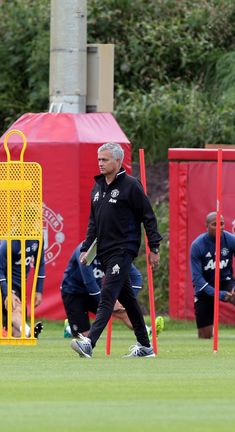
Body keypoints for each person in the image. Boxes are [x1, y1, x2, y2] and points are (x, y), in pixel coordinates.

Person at [70, 142, 162, 358]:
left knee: (107, 295)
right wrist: (86, 248)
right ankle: (145, 346)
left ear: (118, 161)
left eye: (105, 159)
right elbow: (93, 221)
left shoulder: (131, 185)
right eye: (99, 159)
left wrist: (154, 247)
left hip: (123, 250)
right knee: (128, 300)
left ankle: (89, 342)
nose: (100, 163)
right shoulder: (98, 186)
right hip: (103, 251)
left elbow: (148, 217)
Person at [60, 241, 163, 338]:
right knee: (85, 336)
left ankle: (147, 332)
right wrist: (108, 301)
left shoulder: (113, 250)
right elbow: (89, 282)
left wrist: (125, 302)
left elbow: (136, 277)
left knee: (121, 310)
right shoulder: (85, 250)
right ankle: (70, 328)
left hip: (96, 290)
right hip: (73, 292)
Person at [189, 212, 235, 340]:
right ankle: (207, 330)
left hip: (225, 280)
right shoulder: (197, 245)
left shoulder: (232, 240)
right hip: (205, 286)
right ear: (206, 226)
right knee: (205, 336)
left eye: (221, 224)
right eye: (214, 225)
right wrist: (217, 294)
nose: (219, 227)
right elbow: (197, 279)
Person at [0, 238, 45, 338]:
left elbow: (40, 263)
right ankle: (29, 331)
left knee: (16, 332)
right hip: (5, 284)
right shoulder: (8, 242)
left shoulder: (37, 238)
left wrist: (39, 290)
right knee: (16, 309)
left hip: (20, 286)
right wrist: (8, 292)